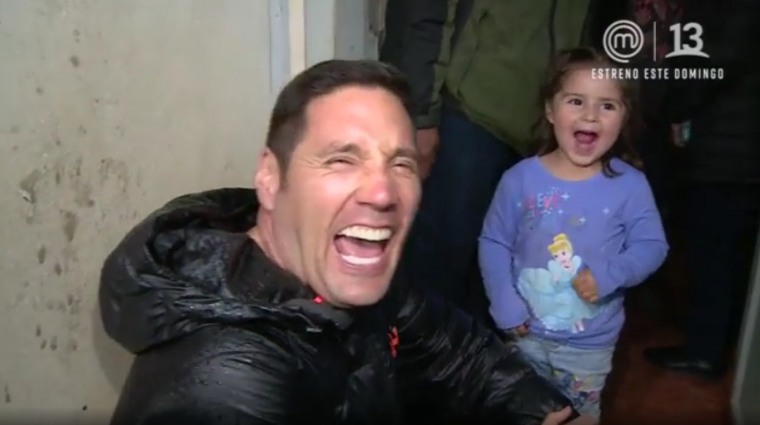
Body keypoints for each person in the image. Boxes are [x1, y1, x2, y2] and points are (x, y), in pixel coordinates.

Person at [99, 59, 594, 425]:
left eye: (400, 163)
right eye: (341, 160)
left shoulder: (350, 274)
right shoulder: (225, 384)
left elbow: (453, 349)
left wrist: (547, 413)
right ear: (270, 178)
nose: (382, 193)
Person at [379, 0, 623, 316]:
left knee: (503, 280)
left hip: (544, 128)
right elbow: (423, 11)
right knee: (435, 275)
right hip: (468, 112)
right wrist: (420, 113)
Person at [478, 48, 669, 422]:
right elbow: (494, 241)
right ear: (550, 110)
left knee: (578, 417)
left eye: (607, 106)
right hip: (522, 336)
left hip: (589, 346)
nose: (590, 115)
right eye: (576, 101)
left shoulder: (631, 186)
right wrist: (503, 301)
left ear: (624, 118)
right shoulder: (519, 179)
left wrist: (611, 274)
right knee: (521, 413)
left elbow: (652, 246)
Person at [644, 0, 760, 379]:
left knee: (712, 254)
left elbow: (712, 64)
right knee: (729, 255)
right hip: (738, 148)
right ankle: (722, 343)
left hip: (728, 150)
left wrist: (671, 107)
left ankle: (704, 351)